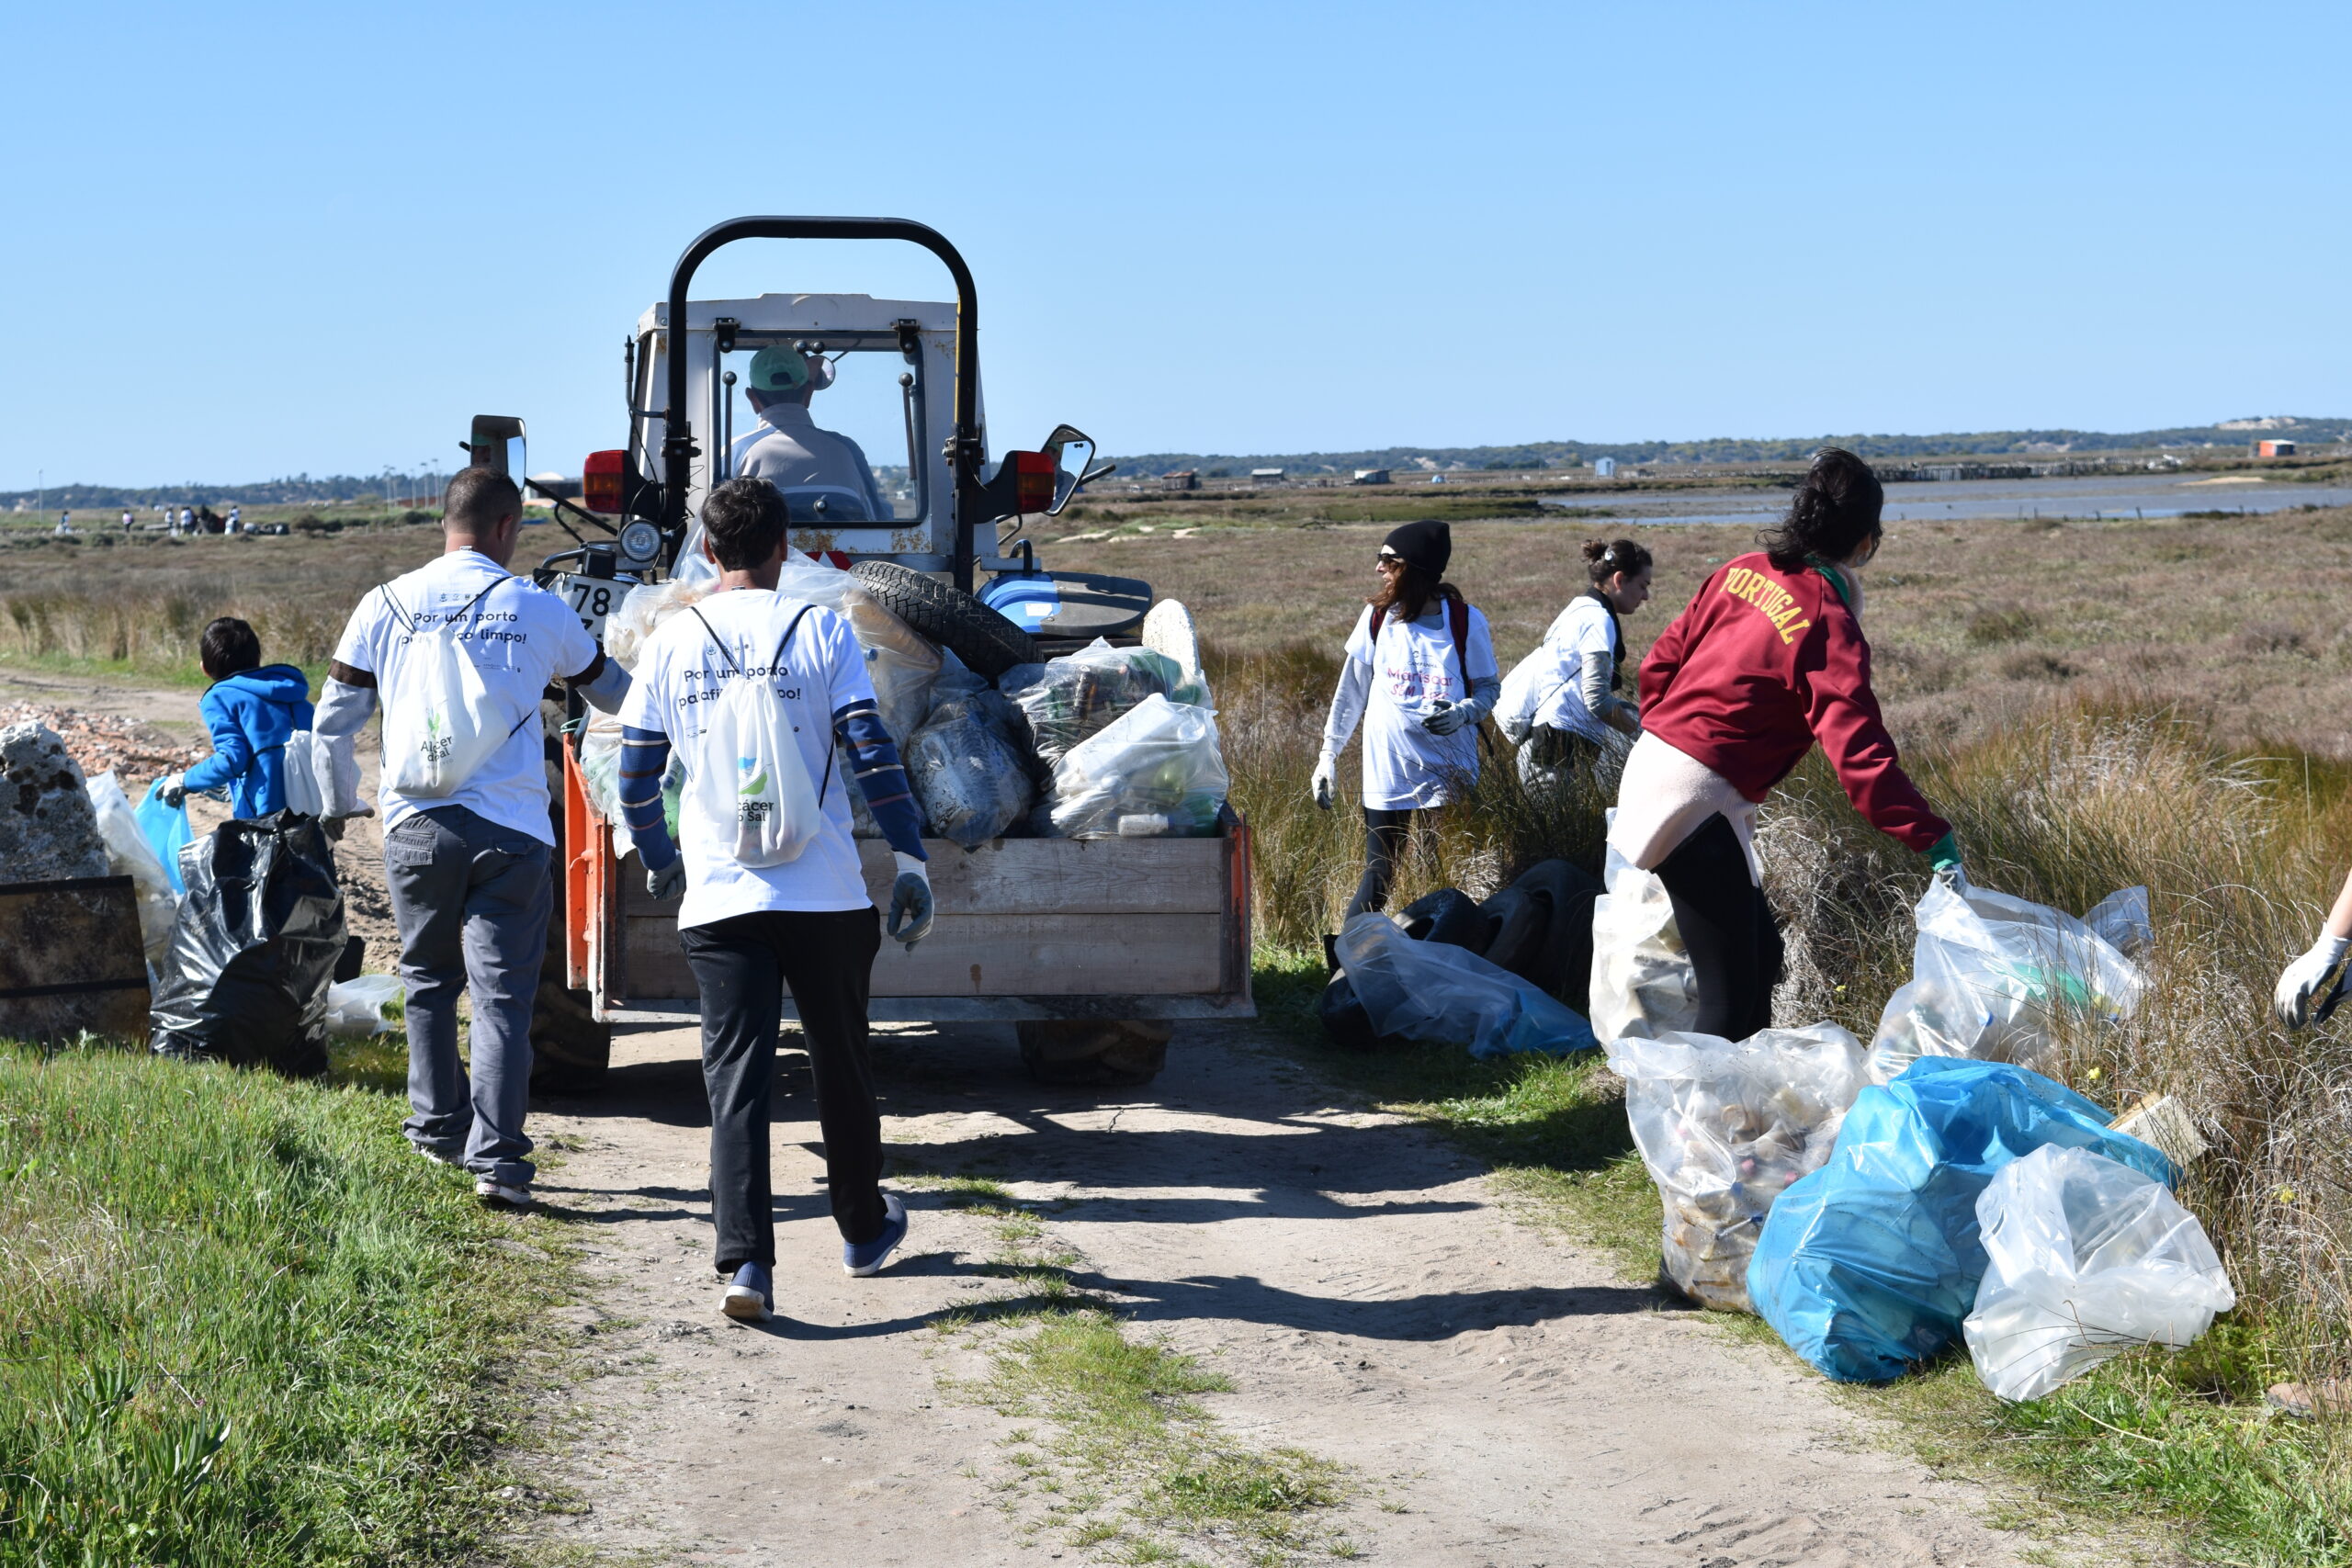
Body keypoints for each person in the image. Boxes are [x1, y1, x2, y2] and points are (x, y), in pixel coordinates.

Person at [616, 476, 934, 1322]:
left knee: (737, 1079)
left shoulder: (672, 643)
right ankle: (864, 1231)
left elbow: (637, 779)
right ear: (786, 546)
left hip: (720, 896)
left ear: (707, 551)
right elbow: (871, 752)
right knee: (842, 1062)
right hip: (825, 892)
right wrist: (911, 858)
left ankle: (747, 1264)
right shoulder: (820, 627)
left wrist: (658, 856)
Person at [312, 466, 633, 1210]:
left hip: (415, 825)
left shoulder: (383, 603)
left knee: (428, 981)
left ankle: (434, 1129)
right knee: (503, 999)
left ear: (444, 523)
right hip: (514, 832)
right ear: (506, 528)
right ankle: (501, 1162)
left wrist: (345, 801)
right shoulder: (537, 606)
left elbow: (334, 720)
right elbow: (610, 690)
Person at [1612, 447, 1956, 1041]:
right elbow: (1859, 756)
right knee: (1731, 990)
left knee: (1762, 958)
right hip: (1693, 798)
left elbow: (1659, 663)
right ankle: (1696, 1129)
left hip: (1657, 767)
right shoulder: (1827, 617)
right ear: (1865, 541)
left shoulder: (1740, 570)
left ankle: (1745, 1114)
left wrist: (1674, 733)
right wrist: (1933, 836)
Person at [1311, 520, 1501, 919]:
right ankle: (1349, 965)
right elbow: (1351, 691)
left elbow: (1488, 689)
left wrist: (1465, 712)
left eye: (1387, 560)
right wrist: (1328, 755)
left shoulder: (1466, 622)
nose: (1379, 568)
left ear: (1413, 567)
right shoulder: (1378, 618)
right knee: (1380, 874)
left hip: (1449, 771)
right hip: (1389, 770)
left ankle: (1436, 958)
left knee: (1441, 871)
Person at [1499, 538, 1654, 784]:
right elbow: (1596, 698)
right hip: (1556, 752)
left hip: (1547, 745)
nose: (1645, 595)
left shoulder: (1578, 608)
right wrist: (1644, 736)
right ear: (1619, 580)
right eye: (1643, 585)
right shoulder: (1597, 619)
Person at [156, 618, 314, 818]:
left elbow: (233, 758)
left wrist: (185, 781)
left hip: (267, 816)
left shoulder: (219, 697)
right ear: (258, 656)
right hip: (315, 804)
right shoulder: (294, 691)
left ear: (204, 668)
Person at [729, 345, 891, 523]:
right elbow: (879, 522)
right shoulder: (848, 451)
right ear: (808, 393)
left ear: (752, 398)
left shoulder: (734, 453)